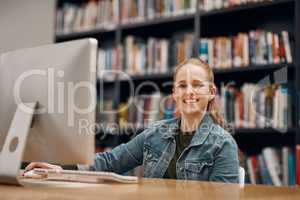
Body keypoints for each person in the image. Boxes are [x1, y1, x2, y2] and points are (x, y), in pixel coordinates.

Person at [24, 58, 240, 183]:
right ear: (174, 93)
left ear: (211, 92)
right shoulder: (155, 134)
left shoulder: (223, 145)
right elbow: (109, 162)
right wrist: (62, 169)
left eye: (197, 85)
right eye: (182, 86)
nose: (189, 91)